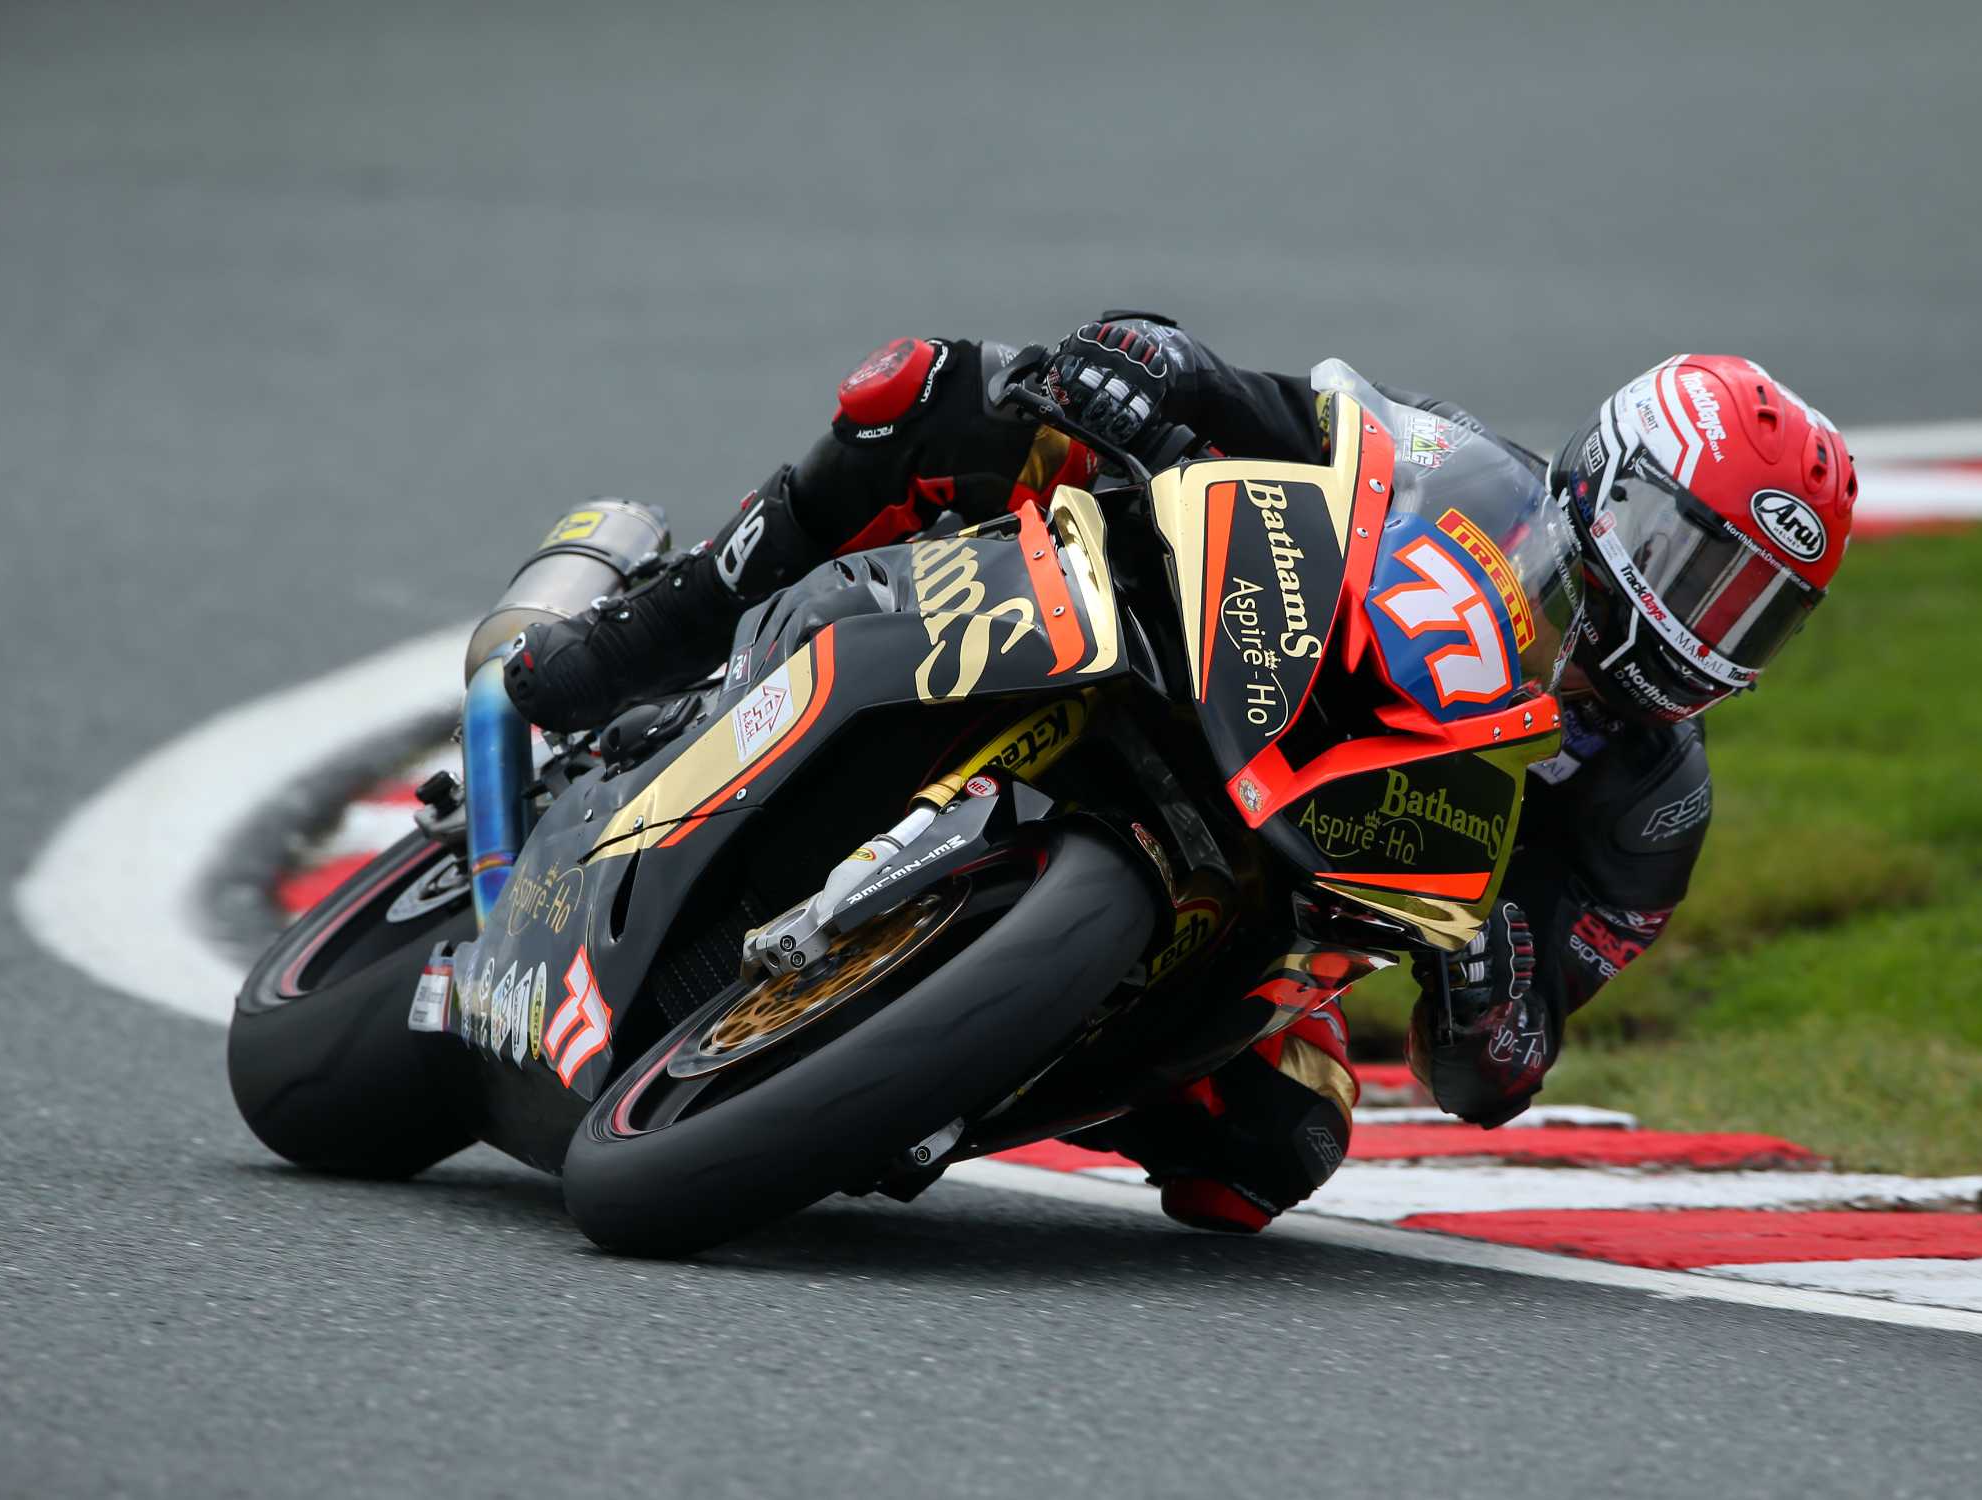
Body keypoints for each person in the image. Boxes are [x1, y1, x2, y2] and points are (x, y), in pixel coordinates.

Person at [503, 317, 1859, 1233]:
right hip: (1190, 665)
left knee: (1278, 1151)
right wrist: (1145, 364)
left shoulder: (1650, 805)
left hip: (1279, 906)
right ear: (1610, 490)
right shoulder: (1463, 473)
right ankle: (644, 635)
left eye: (1757, 611)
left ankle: (917, 1078)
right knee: (946, 394)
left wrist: (1493, 970)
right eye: (1698, 567)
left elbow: (1495, 1075)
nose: (1709, 626)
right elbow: (1242, 399)